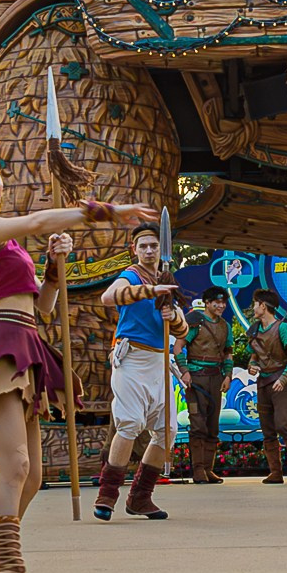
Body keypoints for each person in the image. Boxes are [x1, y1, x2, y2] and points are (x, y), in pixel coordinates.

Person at [0, 151, 152, 573]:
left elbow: (46, 306)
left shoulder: (11, 246)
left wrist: (54, 268)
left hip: (27, 345)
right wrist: (105, 212)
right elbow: (35, 218)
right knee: (13, 467)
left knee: (30, 477)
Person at [92, 224, 182, 522]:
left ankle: (141, 498)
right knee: (129, 423)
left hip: (160, 362)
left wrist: (175, 316)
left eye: (153, 246)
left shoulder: (167, 278)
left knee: (167, 431)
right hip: (132, 359)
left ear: (161, 249)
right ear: (134, 249)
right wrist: (149, 291)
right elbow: (109, 297)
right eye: (143, 246)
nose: (148, 251)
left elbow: (180, 329)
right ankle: (107, 496)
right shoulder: (132, 274)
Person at [247, 289, 287, 484]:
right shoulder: (254, 330)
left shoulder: (282, 328)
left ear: (263, 306)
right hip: (263, 383)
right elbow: (254, 356)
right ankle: (275, 472)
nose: (253, 308)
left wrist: (284, 377)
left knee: (282, 423)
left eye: (255, 304)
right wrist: (253, 366)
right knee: (267, 429)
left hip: (280, 381)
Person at [178, 285, 233, 483]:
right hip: (196, 379)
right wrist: (184, 371)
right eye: (216, 302)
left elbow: (228, 352)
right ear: (207, 303)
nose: (220, 306)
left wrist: (228, 375)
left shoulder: (225, 326)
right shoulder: (195, 322)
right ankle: (198, 470)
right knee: (197, 424)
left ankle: (209, 469)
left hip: (216, 378)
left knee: (212, 426)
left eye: (223, 302)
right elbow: (178, 347)